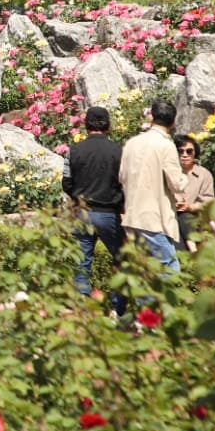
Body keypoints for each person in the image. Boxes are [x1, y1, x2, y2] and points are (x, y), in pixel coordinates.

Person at [62, 105, 126, 316]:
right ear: (108, 125)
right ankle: (118, 309)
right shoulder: (119, 151)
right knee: (122, 259)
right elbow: (125, 182)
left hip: (82, 212)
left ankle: (82, 308)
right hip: (109, 213)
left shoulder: (74, 150)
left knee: (82, 263)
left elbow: (66, 183)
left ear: (86, 125)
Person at [119, 99, 184, 277]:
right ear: (173, 121)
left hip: (133, 215)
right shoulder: (166, 145)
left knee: (144, 272)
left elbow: (121, 177)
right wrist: (184, 175)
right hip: (154, 218)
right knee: (170, 270)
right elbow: (177, 184)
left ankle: (144, 306)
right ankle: (161, 306)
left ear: (152, 117)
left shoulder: (132, 143)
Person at [173, 134, 215, 251]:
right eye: (180, 151)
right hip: (172, 219)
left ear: (194, 153)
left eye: (189, 151)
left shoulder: (203, 174)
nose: (185, 155)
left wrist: (190, 207)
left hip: (194, 219)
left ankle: (192, 250)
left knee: (186, 217)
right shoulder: (170, 173)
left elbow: (208, 201)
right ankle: (192, 250)